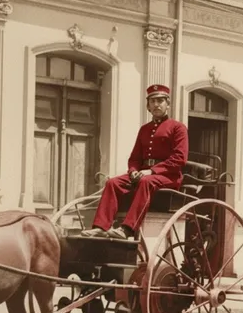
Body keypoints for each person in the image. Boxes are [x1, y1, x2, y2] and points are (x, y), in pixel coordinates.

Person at [80, 84, 189, 239]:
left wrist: (152, 171)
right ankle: (100, 227)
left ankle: (127, 229)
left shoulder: (178, 128)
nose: (156, 104)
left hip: (168, 176)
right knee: (112, 183)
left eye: (160, 101)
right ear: (148, 106)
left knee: (145, 181)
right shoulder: (144, 129)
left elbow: (179, 158)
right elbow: (135, 158)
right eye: (152, 101)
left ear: (168, 104)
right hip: (144, 174)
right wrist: (133, 171)